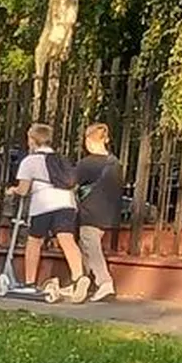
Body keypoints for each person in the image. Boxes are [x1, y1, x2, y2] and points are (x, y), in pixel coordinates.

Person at [11, 123, 88, 301]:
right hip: (67, 203)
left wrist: (13, 190)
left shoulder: (30, 161)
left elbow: (23, 189)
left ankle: (30, 282)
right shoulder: (60, 158)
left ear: (32, 140)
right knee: (66, 239)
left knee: (34, 241)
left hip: (43, 204)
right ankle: (79, 277)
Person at [74, 122, 123, 302]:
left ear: (88, 140)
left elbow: (71, 184)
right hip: (109, 212)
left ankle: (104, 283)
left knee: (91, 246)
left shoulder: (86, 164)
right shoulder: (115, 163)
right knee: (85, 247)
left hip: (90, 212)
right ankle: (82, 281)